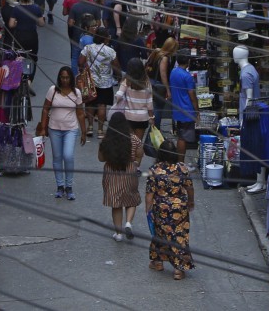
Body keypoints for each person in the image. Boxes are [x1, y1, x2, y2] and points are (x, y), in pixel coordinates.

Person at [146, 143, 195, 279]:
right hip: (179, 207)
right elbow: (190, 188)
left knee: (160, 233)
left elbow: (149, 193)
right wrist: (191, 201)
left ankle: (158, 262)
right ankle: (178, 269)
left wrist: (148, 210)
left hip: (160, 207)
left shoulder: (154, 170)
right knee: (178, 235)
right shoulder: (182, 169)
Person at [38, 66, 87, 201]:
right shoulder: (53, 91)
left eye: (67, 77)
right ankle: (60, 186)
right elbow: (45, 109)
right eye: (62, 77)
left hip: (71, 129)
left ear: (71, 78)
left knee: (68, 155)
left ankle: (69, 186)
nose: (65, 80)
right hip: (54, 128)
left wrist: (84, 131)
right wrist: (43, 127)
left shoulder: (76, 93)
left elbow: (80, 113)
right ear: (59, 78)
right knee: (57, 157)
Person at [98, 112, 143, 241]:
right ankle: (128, 223)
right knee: (131, 198)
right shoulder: (134, 139)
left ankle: (118, 234)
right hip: (129, 170)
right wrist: (136, 163)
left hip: (112, 171)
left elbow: (101, 159)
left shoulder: (106, 140)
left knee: (116, 203)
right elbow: (140, 153)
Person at [80, 27, 118, 132]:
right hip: (105, 83)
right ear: (105, 38)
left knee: (90, 103)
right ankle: (100, 130)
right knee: (102, 105)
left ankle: (90, 127)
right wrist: (118, 76)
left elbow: (80, 62)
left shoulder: (88, 48)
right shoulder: (110, 51)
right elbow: (116, 67)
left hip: (90, 81)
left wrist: (85, 69)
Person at [4, 0, 46, 71]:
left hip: (20, 36)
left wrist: (17, 23)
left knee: (19, 56)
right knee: (32, 57)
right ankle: (30, 76)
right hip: (32, 36)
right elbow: (41, 24)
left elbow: (11, 24)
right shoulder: (36, 8)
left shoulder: (17, 9)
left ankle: (20, 74)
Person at [168, 52, 199, 161]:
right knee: (183, 138)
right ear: (188, 61)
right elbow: (192, 96)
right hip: (187, 110)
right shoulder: (187, 77)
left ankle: (180, 162)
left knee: (181, 136)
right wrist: (197, 112)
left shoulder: (173, 72)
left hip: (177, 109)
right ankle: (181, 163)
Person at [113, 59, 154, 135]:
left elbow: (118, 96)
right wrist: (151, 117)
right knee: (138, 143)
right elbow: (149, 103)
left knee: (130, 141)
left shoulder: (127, 81)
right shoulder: (147, 82)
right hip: (143, 117)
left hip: (129, 116)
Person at [146, 38, 177, 130]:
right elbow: (163, 74)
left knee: (154, 107)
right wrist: (167, 90)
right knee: (158, 109)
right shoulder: (165, 58)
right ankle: (155, 131)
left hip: (150, 83)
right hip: (158, 86)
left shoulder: (157, 52)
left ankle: (154, 130)